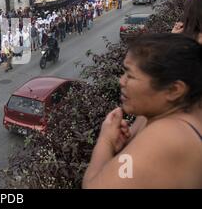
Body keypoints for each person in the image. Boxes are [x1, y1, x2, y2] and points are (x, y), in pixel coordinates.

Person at [83, 34, 202, 188]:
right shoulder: (170, 117)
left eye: (130, 76)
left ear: (174, 90)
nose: (121, 81)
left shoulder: (164, 136)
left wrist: (106, 141)